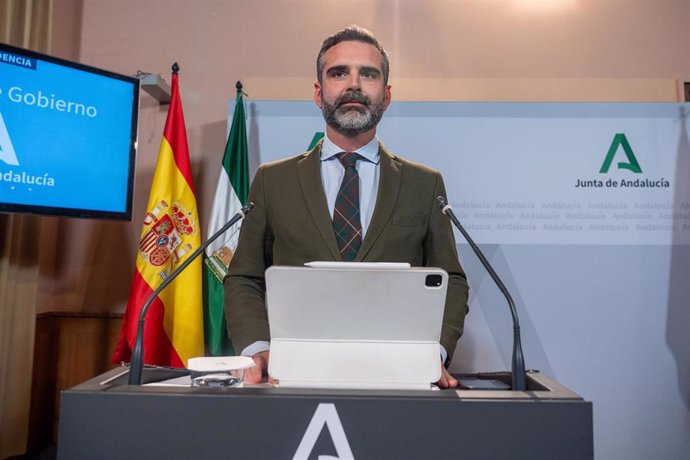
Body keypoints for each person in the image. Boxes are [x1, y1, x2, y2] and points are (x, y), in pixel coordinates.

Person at [224, 25, 469, 388]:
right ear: (319, 91)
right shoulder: (273, 181)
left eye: (367, 74)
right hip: (292, 374)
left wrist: (433, 353)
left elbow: (451, 281)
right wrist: (258, 348)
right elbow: (244, 276)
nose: (353, 85)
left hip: (397, 375)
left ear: (386, 95)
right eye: (339, 73)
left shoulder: (424, 184)